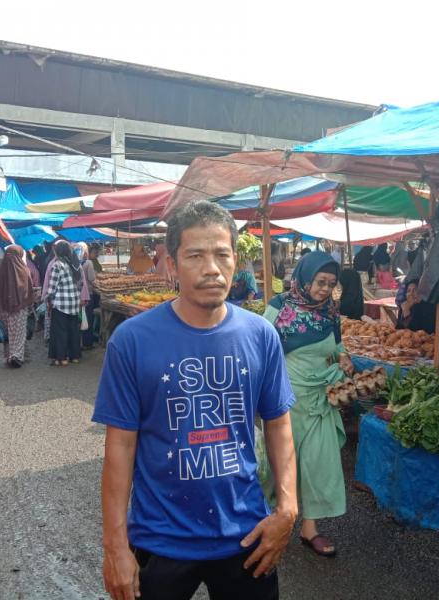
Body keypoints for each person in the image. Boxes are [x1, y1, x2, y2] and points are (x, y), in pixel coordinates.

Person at [93, 200, 297, 600]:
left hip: (246, 535)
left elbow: (278, 423)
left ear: (236, 260)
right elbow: (120, 445)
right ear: (171, 263)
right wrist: (115, 546)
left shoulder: (261, 336)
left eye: (222, 254)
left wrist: (287, 508)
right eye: (195, 255)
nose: (211, 269)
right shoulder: (132, 342)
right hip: (160, 538)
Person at [263, 251, 351, 559]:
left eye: (331, 283)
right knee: (281, 463)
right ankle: (275, 518)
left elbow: (337, 345)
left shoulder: (330, 311)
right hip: (285, 400)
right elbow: (260, 349)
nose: (325, 289)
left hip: (320, 397)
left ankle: (309, 528)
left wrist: (344, 358)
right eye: (320, 282)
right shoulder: (279, 307)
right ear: (305, 278)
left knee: (318, 461)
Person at [0, 245, 35, 368]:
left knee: (9, 333)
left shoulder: (1, 270)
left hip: (4, 309)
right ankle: (16, 356)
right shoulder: (24, 269)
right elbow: (29, 288)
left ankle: (10, 355)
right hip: (20, 308)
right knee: (19, 333)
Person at [46, 240, 84, 366]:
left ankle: (61, 358)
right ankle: (74, 356)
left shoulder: (57, 265)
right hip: (74, 303)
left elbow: (52, 287)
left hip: (61, 304)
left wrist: (48, 300)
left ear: (58, 251)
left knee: (60, 331)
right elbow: (80, 284)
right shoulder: (75, 265)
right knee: (73, 330)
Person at [74, 241, 98, 349]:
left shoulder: (74, 263)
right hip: (88, 294)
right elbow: (92, 279)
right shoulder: (88, 263)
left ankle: (79, 342)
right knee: (88, 317)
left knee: (79, 318)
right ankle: (87, 343)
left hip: (76, 294)